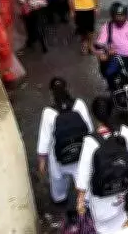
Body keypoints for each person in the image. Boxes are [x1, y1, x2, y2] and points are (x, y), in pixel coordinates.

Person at [76, 96, 128, 234]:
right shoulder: (125, 132)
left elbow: (83, 175)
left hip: (102, 204)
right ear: (112, 111)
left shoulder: (91, 141)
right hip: (125, 196)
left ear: (95, 116)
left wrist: (80, 200)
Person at [36, 77, 93, 205]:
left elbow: (44, 138)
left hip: (59, 158)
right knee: (83, 180)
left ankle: (60, 199)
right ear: (67, 88)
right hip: (80, 154)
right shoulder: (79, 104)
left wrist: (42, 162)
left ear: (51, 92)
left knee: (58, 182)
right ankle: (86, 203)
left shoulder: (49, 112)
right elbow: (89, 129)